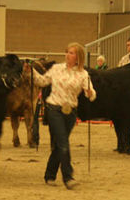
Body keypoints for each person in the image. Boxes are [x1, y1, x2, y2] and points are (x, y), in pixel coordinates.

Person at [33, 43, 96, 190]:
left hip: (70, 112)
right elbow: (42, 81)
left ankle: (49, 175)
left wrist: (89, 93)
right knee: (63, 143)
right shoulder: (56, 69)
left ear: (78, 57)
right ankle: (68, 177)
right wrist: (32, 72)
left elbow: (92, 94)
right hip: (54, 108)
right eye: (67, 52)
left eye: (72, 53)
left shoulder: (83, 74)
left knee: (59, 146)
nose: (68, 55)